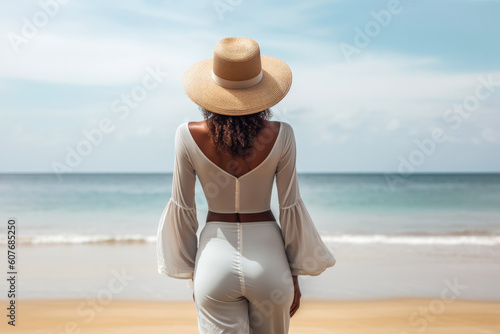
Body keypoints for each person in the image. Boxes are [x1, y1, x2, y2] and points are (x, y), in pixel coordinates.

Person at [156, 36, 336, 333]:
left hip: (214, 261)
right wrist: (293, 275)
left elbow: (183, 209)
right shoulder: (282, 134)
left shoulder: (187, 135)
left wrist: (195, 275)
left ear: (211, 92)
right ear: (261, 93)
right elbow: (290, 206)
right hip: (269, 261)